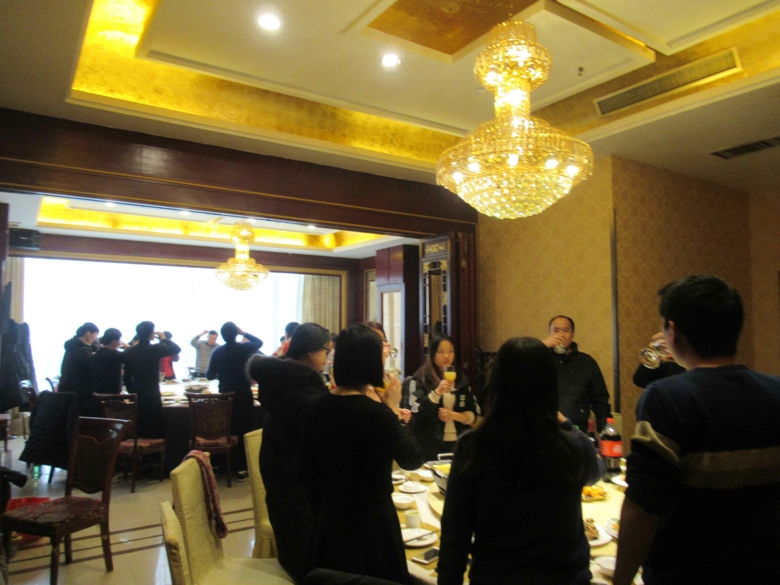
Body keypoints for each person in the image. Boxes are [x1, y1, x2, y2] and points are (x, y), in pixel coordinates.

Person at [613, 275, 780, 585]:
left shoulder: (665, 398)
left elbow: (643, 505)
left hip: (686, 572)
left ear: (672, 331)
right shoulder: (776, 390)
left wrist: (621, 579)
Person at [437, 337, 602, 585]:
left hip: (496, 577)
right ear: (550, 385)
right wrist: (567, 423)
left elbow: (455, 535)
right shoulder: (573, 445)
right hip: (564, 577)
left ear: (497, 383)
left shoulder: (474, 445)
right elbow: (595, 472)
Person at [301, 324, 423, 584]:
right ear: (370, 363)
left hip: (329, 523)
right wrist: (392, 408)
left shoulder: (316, 406)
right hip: (373, 529)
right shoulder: (375, 414)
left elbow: (306, 472)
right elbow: (412, 459)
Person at [248, 323, 331, 583]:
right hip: (297, 494)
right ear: (309, 352)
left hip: (282, 485)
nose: (328, 357)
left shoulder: (281, 381)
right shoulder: (303, 394)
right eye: (326, 350)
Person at [407, 334, 478, 461]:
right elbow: (416, 410)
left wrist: (454, 416)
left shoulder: (461, 378)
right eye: (441, 352)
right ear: (432, 354)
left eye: (450, 351)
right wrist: (437, 392)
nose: (446, 356)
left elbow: (473, 412)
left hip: (457, 443)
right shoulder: (420, 378)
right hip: (429, 443)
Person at [206, 322, 263, 480]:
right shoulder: (244, 348)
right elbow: (259, 342)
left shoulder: (217, 352)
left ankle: (221, 465)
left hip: (225, 397)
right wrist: (244, 333)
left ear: (222, 336)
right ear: (235, 334)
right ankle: (241, 468)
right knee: (244, 430)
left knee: (226, 430)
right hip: (243, 395)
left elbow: (209, 376)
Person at [543, 315, 612, 432]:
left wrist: (606, 432)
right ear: (549, 334)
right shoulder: (539, 360)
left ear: (572, 334)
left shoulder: (586, 362)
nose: (561, 335)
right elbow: (514, 371)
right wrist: (541, 346)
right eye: (556, 330)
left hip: (577, 430)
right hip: (544, 430)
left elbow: (600, 402)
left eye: (565, 330)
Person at [123, 322, 181, 438]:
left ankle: (140, 446)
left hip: (137, 393)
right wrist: (163, 338)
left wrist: (131, 392)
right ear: (151, 334)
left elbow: (127, 377)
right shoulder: (155, 349)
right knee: (156, 427)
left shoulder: (129, 351)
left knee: (140, 426)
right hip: (152, 392)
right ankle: (156, 448)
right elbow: (176, 349)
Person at [364, 321, 411, 423]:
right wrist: (395, 412)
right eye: (379, 340)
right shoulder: (365, 385)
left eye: (384, 339)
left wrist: (397, 410)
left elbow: (385, 407)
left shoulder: (383, 376)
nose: (387, 344)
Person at [59, 322, 99, 415]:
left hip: (66, 390)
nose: (95, 339)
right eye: (95, 335)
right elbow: (91, 370)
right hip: (78, 395)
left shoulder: (72, 347)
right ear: (88, 334)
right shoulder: (83, 351)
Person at [92, 328, 125, 395]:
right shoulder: (117, 355)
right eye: (119, 340)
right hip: (113, 393)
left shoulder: (94, 355)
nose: (120, 343)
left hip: (97, 392)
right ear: (114, 341)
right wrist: (128, 347)